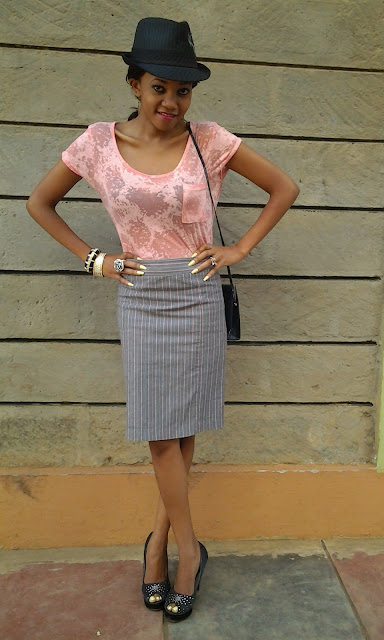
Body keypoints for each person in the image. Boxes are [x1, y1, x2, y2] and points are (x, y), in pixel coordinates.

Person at [26, 17, 299, 622]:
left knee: (182, 428)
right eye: (159, 87)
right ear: (134, 84)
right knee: (159, 433)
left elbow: (284, 187)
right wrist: (95, 259)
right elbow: (39, 203)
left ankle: (158, 546)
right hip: (142, 294)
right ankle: (187, 550)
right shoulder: (97, 144)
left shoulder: (211, 141)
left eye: (183, 90)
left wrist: (239, 248)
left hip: (197, 293)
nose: (171, 101)